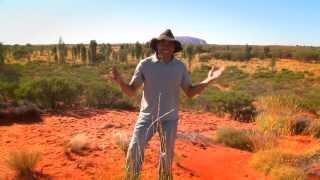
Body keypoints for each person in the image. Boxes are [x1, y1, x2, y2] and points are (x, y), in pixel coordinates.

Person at [109, 29, 225, 180]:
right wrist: (120, 82)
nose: (165, 46)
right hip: (147, 117)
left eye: (169, 44)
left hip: (170, 119)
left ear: (174, 48)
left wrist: (207, 81)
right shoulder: (145, 64)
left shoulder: (180, 67)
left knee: (166, 156)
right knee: (134, 148)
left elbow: (189, 92)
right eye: (161, 43)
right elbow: (131, 91)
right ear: (156, 46)